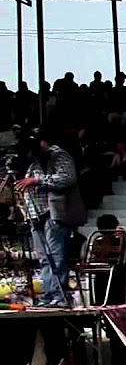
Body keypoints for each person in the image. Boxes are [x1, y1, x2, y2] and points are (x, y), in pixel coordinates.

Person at [14, 127, 86, 307]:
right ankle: (49, 294)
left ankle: (60, 296)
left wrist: (37, 180)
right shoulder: (30, 159)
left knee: (55, 256)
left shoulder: (57, 155)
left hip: (53, 213)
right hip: (35, 214)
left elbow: (67, 178)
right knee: (44, 258)